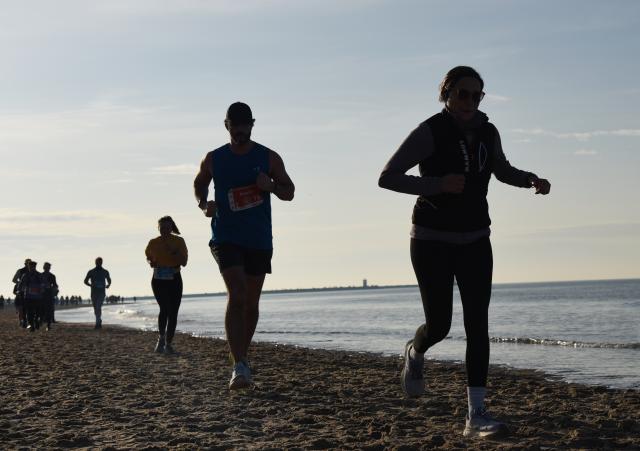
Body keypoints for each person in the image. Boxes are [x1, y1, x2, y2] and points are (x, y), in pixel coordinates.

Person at [378, 66, 551, 438]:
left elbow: (500, 168)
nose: (470, 102)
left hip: (476, 238)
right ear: (447, 94)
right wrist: (436, 184)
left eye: (477, 95)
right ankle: (415, 351)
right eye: (463, 94)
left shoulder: (488, 131)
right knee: (439, 325)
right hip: (430, 239)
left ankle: (475, 415)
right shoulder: (430, 131)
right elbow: (388, 176)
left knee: (478, 324)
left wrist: (528, 180)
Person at [193, 102, 295, 389]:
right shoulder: (214, 159)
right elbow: (199, 183)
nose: (239, 131)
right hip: (225, 236)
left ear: (252, 124)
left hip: (259, 239)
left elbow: (290, 192)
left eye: (244, 125)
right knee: (236, 294)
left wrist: (271, 186)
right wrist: (204, 204)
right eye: (234, 126)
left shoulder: (269, 158)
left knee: (251, 302)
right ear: (226, 125)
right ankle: (238, 364)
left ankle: (243, 356)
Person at [145, 216, 188, 354]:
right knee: (164, 308)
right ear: (158, 228)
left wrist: (174, 252)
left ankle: (168, 345)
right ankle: (161, 338)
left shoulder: (179, 241)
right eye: (162, 228)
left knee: (173, 312)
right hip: (158, 279)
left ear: (172, 228)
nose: (165, 230)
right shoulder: (153, 242)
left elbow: (184, 262)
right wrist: (151, 262)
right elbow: (148, 256)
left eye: (167, 228)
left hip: (174, 277)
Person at [84, 257, 111, 329]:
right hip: (94, 292)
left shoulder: (105, 271)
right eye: (98, 262)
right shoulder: (91, 271)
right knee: (95, 308)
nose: (99, 263)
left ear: (102, 263)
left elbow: (109, 279)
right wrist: (90, 285)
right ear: (95, 262)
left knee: (98, 306)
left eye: (100, 262)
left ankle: (97, 323)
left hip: (102, 292)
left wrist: (108, 285)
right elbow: (85, 281)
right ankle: (99, 320)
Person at [19, 260, 43, 331]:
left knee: (37, 312)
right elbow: (20, 285)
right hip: (29, 297)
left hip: (36, 297)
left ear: (35, 267)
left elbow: (43, 285)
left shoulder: (38, 275)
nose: (31, 268)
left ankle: (36, 323)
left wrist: (42, 289)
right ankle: (32, 325)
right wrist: (20, 290)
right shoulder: (26, 275)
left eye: (32, 267)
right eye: (30, 267)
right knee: (30, 312)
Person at [12, 259, 31, 328]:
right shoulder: (20, 271)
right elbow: (14, 280)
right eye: (28, 263)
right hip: (22, 291)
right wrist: (20, 283)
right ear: (25, 264)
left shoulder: (33, 272)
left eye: (30, 263)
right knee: (22, 308)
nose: (29, 264)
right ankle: (23, 322)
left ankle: (27, 321)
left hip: (31, 292)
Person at [41, 262, 59, 331]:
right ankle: (42, 322)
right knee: (41, 309)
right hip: (41, 295)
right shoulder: (40, 275)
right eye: (46, 267)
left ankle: (48, 325)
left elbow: (55, 285)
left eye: (48, 267)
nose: (47, 268)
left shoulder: (52, 276)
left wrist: (54, 289)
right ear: (44, 267)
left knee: (49, 310)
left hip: (49, 294)